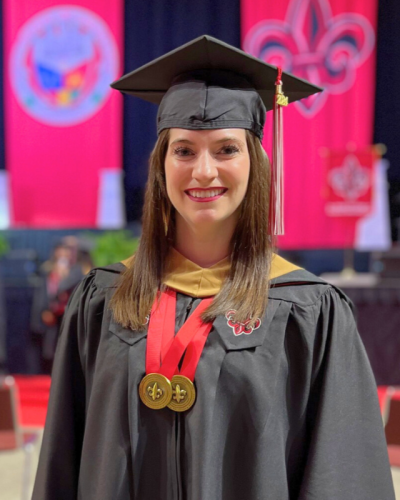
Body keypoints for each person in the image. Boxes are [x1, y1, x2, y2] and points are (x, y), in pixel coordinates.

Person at [32, 35, 395, 500]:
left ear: (256, 164)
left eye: (226, 149)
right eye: (184, 150)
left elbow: (341, 474)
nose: (204, 171)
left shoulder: (307, 311)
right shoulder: (103, 300)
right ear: (161, 166)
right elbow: (64, 462)